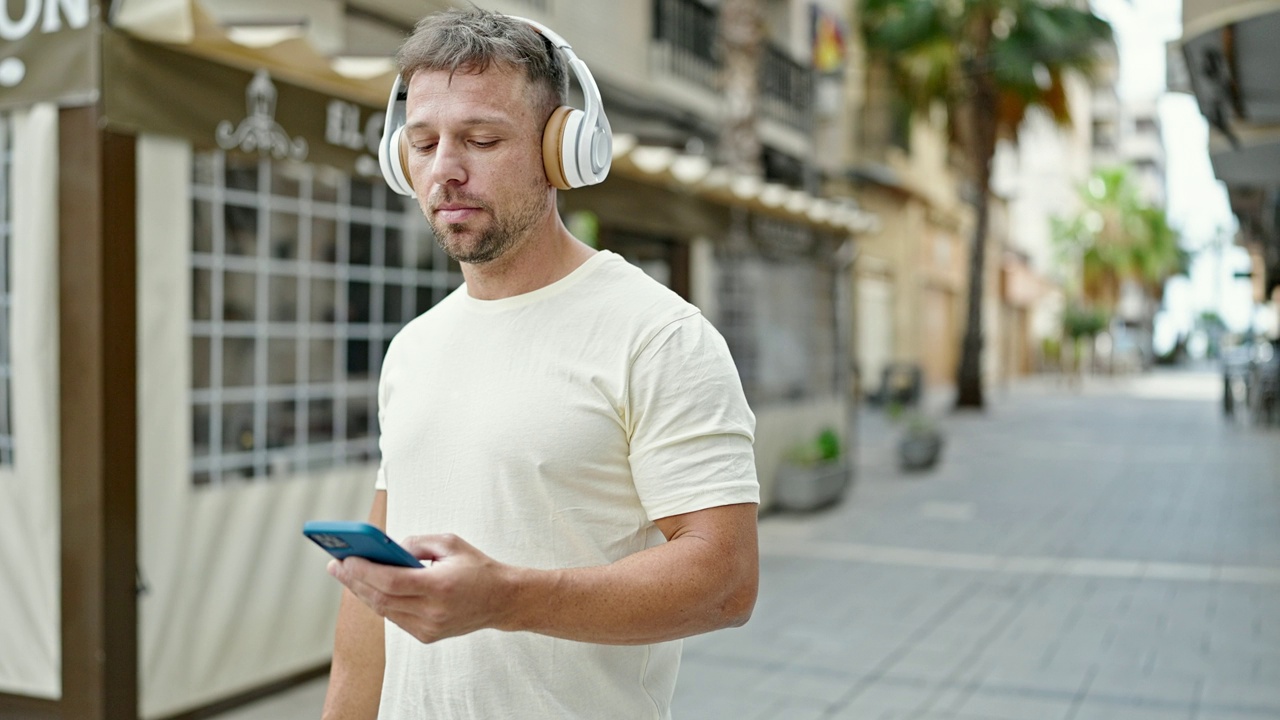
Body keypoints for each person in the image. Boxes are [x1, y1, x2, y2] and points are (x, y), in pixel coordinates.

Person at [322, 8, 760, 719]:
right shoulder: (414, 347)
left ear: (562, 149)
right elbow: (372, 605)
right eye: (424, 143)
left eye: (481, 139)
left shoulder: (659, 335)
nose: (445, 170)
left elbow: (726, 578)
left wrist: (505, 597)